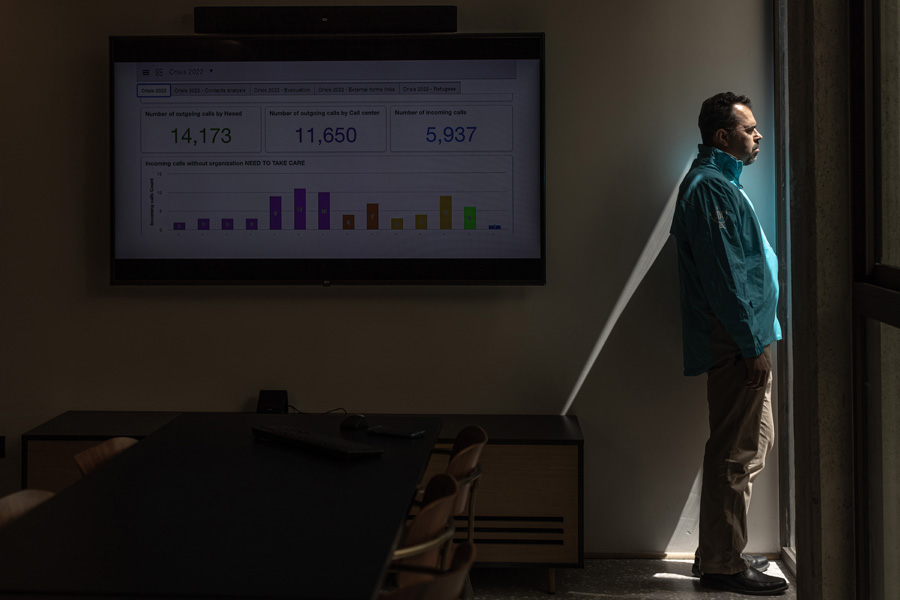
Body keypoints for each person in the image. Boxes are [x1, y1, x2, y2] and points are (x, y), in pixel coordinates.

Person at [670, 92, 789, 596]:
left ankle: (722, 553)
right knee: (734, 454)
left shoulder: (722, 185)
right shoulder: (710, 189)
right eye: (749, 129)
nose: (758, 135)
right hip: (739, 344)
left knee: (750, 447)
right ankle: (721, 564)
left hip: (749, 339)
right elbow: (725, 278)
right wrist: (749, 345)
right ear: (723, 136)